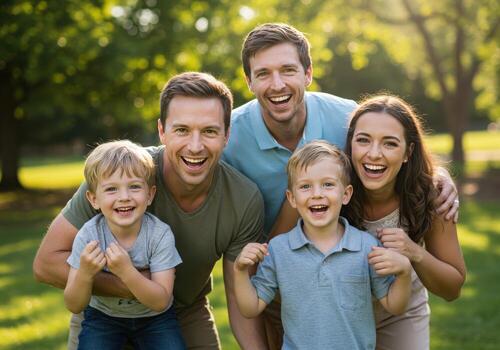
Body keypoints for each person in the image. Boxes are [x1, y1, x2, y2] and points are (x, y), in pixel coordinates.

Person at [222, 22, 460, 348]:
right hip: (303, 294)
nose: (277, 84)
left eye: (288, 70)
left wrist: (439, 177)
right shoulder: (227, 139)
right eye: (263, 73)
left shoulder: (349, 119)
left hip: (388, 291)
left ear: (308, 73)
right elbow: (255, 252)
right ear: (248, 81)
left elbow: (398, 142)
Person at [33, 72, 268, 350]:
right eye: (182, 130)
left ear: (226, 135)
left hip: (185, 313)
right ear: (161, 131)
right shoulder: (118, 178)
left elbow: (238, 296)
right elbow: (46, 264)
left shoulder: (242, 198)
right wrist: (135, 284)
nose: (195, 146)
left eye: (209, 131)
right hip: (106, 315)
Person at [233, 141, 412, 349]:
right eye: (305, 186)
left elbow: (395, 305)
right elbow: (250, 308)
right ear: (292, 198)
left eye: (327, 184)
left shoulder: (366, 246)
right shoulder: (278, 249)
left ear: (346, 194)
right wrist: (240, 270)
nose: (316, 194)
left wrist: (404, 273)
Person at [342, 95, 466, 349]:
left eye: (390, 144)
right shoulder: (331, 186)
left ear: (408, 152)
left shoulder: (430, 197)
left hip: (401, 314)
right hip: (340, 313)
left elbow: (452, 288)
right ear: (351, 143)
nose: (373, 154)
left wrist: (414, 252)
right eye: (363, 140)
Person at [64, 140, 185, 349]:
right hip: (103, 317)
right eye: (111, 189)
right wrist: (84, 273)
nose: (124, 197)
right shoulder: (89, 235)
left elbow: (161, 301)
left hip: (156, 319)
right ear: (94, 199)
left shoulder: (159, 234)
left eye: (135, 187)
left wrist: (126, 271)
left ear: (150, 195)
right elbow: (74, 304)